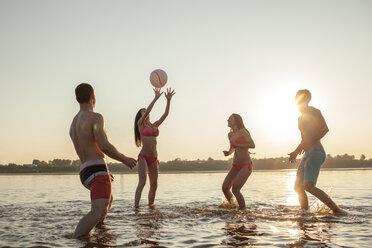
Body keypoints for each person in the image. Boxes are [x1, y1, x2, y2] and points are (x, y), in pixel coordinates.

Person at [69, 83, 137, 238]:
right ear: (93, 96)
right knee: (98, 211)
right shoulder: (96, 117)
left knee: (108, 199)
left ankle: (101, 232)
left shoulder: (73, 123)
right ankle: (75, 239)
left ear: (76, 99)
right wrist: (124, 159)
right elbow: (104, 145)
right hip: (97, 169)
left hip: (85, 171)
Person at [288, 89, 343, 214]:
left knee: (309, 186)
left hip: (316, 152)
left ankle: (336, 210)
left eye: (301, 99)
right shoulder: (299, 118)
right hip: (307, 154)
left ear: (306, 100)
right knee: (298, 187)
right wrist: (295, 152)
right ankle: (305, 213)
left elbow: (324, 129)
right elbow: (304, 139)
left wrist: (309, 141)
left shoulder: (314, 112)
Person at [134, 88, 175, 208]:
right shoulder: (140, 124)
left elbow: (166, 115)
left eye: (146, 111)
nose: (145, 112)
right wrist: (156, 98)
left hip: (154, 157)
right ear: (140, 115)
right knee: (142, 182)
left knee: (154, 184)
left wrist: (168, 100)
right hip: (143, 157)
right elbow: (147, 111)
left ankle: (151, 207)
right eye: (143, 111)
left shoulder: (154, 125)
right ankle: (136, 207)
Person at [222, 113, 255, 209]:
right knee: (225, 188)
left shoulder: (243, 132)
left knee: (235, 189)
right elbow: (233, 147)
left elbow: (252, 145)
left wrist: (238, 144)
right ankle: (233, 206)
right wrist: (228, 153)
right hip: (235, 165)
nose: (228, 120)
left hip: (246, 165)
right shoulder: (230, 134)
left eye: (230, 118)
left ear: (236, 121)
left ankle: (243, 210)